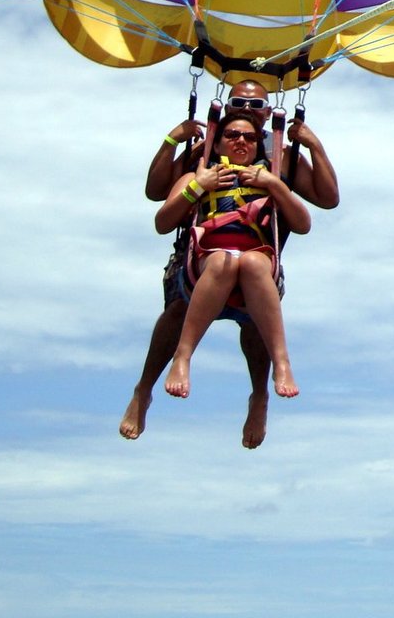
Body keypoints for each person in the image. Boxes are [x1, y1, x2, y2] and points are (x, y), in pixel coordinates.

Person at [119, 80, 339, 446]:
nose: (246, 114)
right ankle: (147, 388)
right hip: (202, 262)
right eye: (238, 103)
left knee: (254, 300)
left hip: (257, 260)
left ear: (268, 113)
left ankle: (262, 393)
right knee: (181, 306)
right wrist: (175, 142)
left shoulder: (280, 160)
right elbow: (157, 197)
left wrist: (310, 147)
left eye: (256, 108)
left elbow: (325, 202)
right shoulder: (203, 156)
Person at [158, 111, 310, 401]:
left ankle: (281, 364)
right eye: (232, 135)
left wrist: (274, 185)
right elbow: (162, 223)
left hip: (257, 258)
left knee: (251, 262)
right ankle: (182, 357)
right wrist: (198, 187)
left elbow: (303, 225)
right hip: (207, 259)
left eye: (250, 138)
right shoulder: (197, 176)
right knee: (223, 261)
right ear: (216, 144)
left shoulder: (269, 178)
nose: (241, 141)